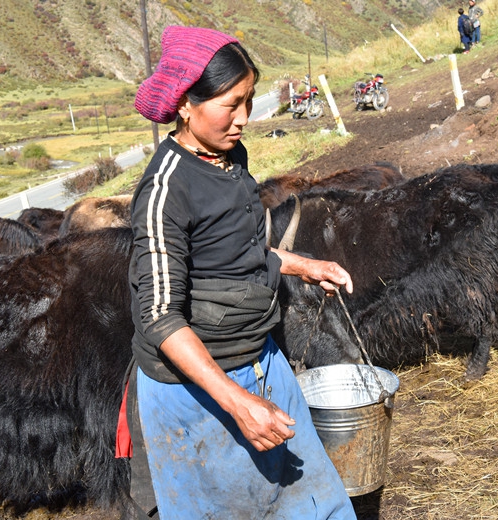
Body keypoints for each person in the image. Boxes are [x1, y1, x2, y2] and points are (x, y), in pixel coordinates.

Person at [127, 25, 358, 519]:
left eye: (249, 101)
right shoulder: (166, 192)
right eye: (231, 105)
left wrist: (304, 265)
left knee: (319, 505)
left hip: (262, 362)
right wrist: (236, 403)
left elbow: (239, 252)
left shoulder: (231, 159)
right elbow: (160, 317)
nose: (244, 119)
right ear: (186, 102)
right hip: (198, 394)